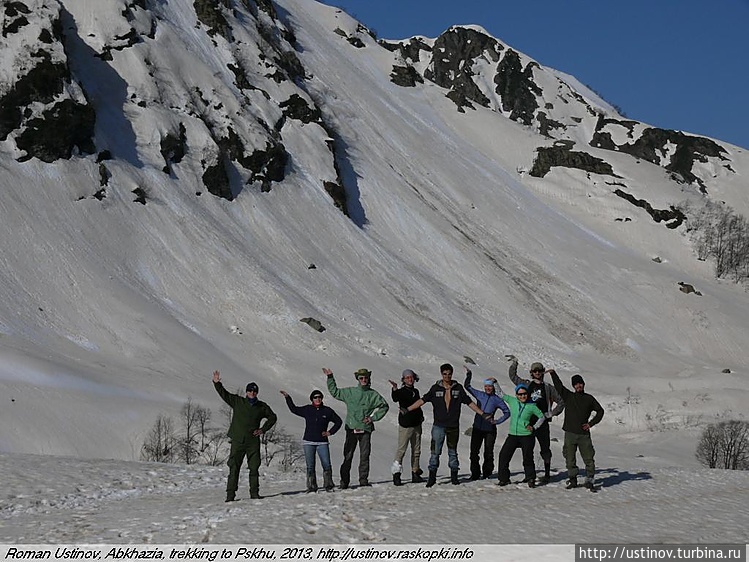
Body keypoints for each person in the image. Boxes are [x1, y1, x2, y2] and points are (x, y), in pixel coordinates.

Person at [403, 363, 493, 487]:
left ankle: (454, 477)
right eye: (445, 374)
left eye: (449, 374)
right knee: (435, 452)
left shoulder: (458, 388)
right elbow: (422, 400)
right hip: (438, 425)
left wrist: (482, 414)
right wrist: (408, 409)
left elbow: (469, 403)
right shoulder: (435, 388)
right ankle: (432, 477)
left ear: (452, 374)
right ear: (441, 374)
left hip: (453, 425)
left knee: (452, 452)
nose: (447, 376)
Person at [212, 370, 277, 501]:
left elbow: (272, 417)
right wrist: (217, 383)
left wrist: (262, 429)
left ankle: (254, 493)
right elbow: (224, 394)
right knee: (234, 468)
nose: (252, 393)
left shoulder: (261, 406)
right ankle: (230, 494)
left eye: (254, 391)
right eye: (250, 391)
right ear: (246, 392)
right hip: (238, 440)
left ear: (257, 393)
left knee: (254, 468)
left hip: (252, 441)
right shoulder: (238, 401)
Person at [322, 367, 389, 489]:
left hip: (366, 429)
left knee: (365, 456)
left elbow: (384, 406)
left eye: (365, 378)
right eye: (361, 378)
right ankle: (344, 482)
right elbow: (335, 392)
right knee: (348, 455)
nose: (363, 380)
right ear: (358, 379)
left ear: (369, 379)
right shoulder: (350, 392)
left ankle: (363, 480)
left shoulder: (373, 395)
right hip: (351, 428)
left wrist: (372, 418)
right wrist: (330, 378)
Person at [507, 356, 565, 484]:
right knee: (528, 450)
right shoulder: (527, 385)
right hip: (528, 423)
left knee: (545, 449)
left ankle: (547, 474)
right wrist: (514, 364)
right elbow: (513, 377)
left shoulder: (548, 387)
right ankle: (530, 476)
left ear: (543, 372)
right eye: (535, 371)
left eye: (539, 370)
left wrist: (551, 413)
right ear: (531, 372)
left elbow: (561, 402)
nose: (537, 373)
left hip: (543, 423)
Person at [550, 370, 605, 489]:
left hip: (583, 435)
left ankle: (590, 479)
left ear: (583, 384)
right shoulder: (569, 396)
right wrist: (553, 374)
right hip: (570, 433)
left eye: (580, 383)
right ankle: (573, 479)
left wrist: (591, 423)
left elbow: (600, 411)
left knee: (589, 458)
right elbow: (559, 387)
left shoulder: (589, 399)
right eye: (576, 384)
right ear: (573, 386)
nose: (578, 385)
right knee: (570, 458)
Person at [280, 389, 343, 492]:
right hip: (308, 441)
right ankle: (311, 487)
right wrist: (288, 398)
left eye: (319, 397)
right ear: (312, 399)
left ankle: (329, 485)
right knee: (310, 466)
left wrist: (330, 432)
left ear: (322, 398)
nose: (317, 399)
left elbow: (338, 421)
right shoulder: (307, 409)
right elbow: (294, 409)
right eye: (315, 397)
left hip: (322, 442)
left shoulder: (327, 411)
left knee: (326, 464)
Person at [496, 380, 546, 488]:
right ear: (516, 395)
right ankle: (504, 479)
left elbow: (542, 417)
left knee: (527, 458)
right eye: (520, 394)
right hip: (513, 435)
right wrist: (495, 382)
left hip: (526, 435)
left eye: (524, 394)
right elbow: (500, 394)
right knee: (504, 455)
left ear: (527, 394)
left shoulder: (532, 406)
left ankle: (531, 478)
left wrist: (534, 427)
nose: (522, 396)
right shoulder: (513, 401)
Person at [464, 366, 510, 480]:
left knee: (488, 452)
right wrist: (469, 375)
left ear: (493, 387)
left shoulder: (497, 399)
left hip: (490, 429)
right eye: (486, 386)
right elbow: (467, 386)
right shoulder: (480, 394)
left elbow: (507, 412)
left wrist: (497, 421)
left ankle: (487, 473)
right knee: (474, 452)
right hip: (477, 428)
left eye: (490, 386)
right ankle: (475, 473)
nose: (488, 388)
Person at [388, 369, 425, 486]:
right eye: (407, 377)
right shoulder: (402, 391)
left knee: (416, 450)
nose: (410, 379)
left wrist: (421, 417)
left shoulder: (416, 391)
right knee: (402, 449)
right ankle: (396, 474)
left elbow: (418, 406)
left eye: (411, 377)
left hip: (417, 424)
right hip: (406, 425)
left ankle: (415, 472)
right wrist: (394, 388)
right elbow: (395, 398)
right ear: (403, 379)